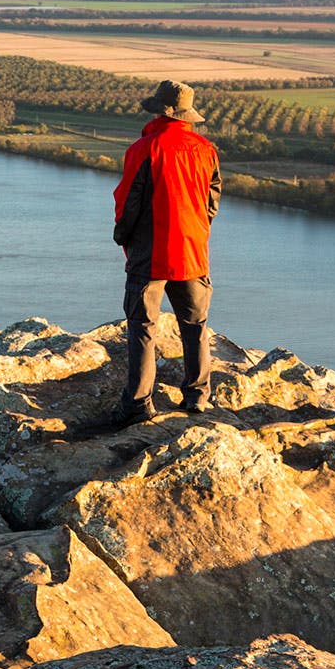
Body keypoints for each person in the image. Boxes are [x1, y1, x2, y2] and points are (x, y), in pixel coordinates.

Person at [111, 79, 223, 427]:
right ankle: (197, 396)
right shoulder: (206, 150)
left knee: (143, 327)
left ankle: (139, 404)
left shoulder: (144, 149)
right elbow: (212, 201)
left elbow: (128, 201)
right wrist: (196, 229)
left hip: (151, 254)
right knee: (195, 325)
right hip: (193, 252)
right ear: (186, 115)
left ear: (158, 112)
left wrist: (122, 235)